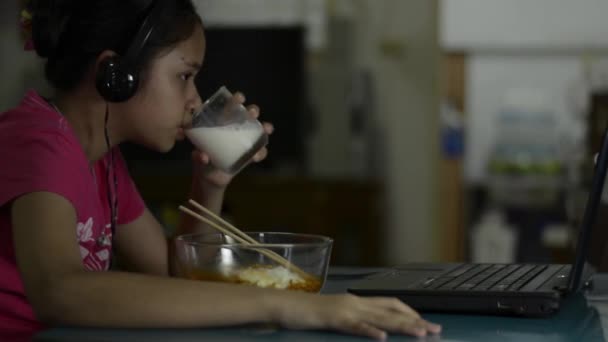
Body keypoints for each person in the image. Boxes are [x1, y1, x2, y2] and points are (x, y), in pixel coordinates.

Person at [0, 0, 441, 340]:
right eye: (183, 76)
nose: (195, 100)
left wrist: (209, 184)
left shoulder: (103, 161)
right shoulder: (39, 141)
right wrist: (289, 307)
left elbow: (174, 273)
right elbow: (59, 291)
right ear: (117, 74)